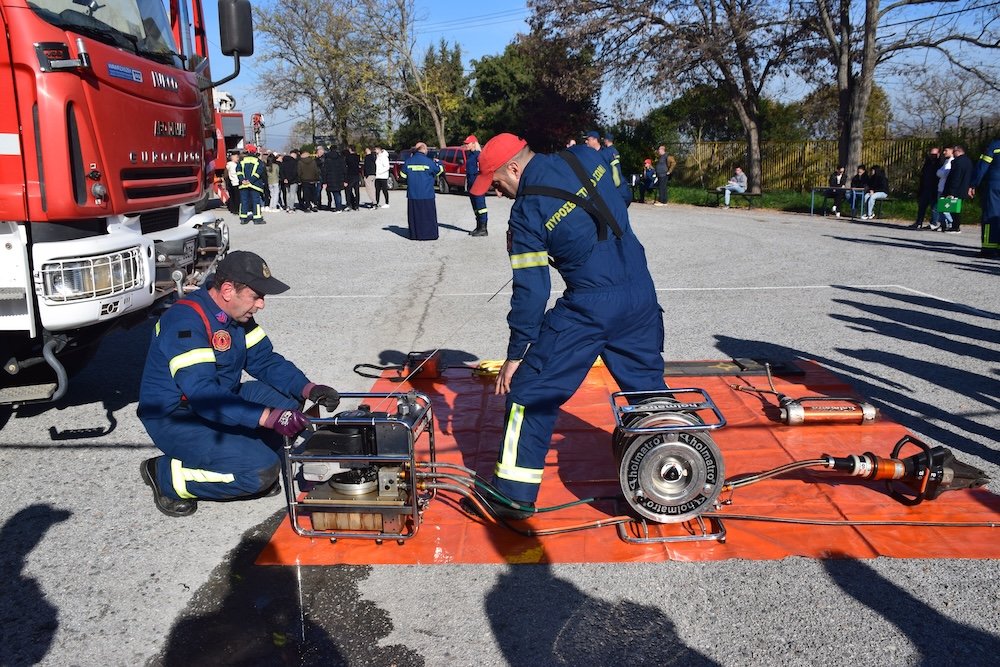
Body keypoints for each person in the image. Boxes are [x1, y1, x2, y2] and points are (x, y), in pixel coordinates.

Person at [465, 133, 668, 518]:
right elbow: (620, 193)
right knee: (647, 388)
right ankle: (672, 465)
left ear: (513, 167)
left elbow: (532, 290)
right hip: (640, 291)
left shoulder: (526, 212)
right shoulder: (582, 158)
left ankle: (511, 497)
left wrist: (518, 353)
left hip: (591, 305)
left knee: (528, 394)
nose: (499, 192)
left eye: (497, 183)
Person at [137, 251, 341, 517]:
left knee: (287, 399)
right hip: (179, 417)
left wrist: (309, 388)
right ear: (227, 290)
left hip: (219, 401)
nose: (261, 304)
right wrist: (267, 417)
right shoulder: (185, 323)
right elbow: (204, 395)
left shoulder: (235, 317)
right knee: (261, 472)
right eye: (256, 296)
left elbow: (265, 361)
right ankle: (167, 476)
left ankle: (243, 452)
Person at [399, 142, 443, 240]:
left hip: (413, 194)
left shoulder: (408, 161)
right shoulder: (429, 162)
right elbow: (439, 171)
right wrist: (439, 163)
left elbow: (403, 175)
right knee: (428, 216)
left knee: (415, 217)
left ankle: (415, 235)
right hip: (427, 194)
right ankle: (429, 235)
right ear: (423, 149)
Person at [970, 138, 1000, 257]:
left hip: (995, 185)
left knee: (990, 215)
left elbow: (982, 167)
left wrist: (973, 183)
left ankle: (989, 248)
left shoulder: (994, 146)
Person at [941, 145, 973, 233]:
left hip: (956, 190)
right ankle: (955, 226)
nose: (953, 154)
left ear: (957, 151)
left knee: (954, 209)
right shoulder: (968, 161)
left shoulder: (957, 162)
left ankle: (955, 227)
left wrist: (952, 191)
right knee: (956, 209)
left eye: (954, 152)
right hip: (963, 188)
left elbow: (956, 177)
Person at [909, 147, 941, 229]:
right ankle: (919, 222)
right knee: (922, 206)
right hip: (925, 188)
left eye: (934, 154)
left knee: (934, 207)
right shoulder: (928, 163)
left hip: (934, 188)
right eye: (931, 154)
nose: (932, 156)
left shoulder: (940, 163)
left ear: (938, 154)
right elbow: (923, 175)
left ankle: (934, 223)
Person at [464, 135, 489, 236]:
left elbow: (483, 170)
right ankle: (478, 226)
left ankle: (483, 228)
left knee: (480, 206)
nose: (465, 145)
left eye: (467, 143)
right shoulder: (470, 155)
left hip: (477, 183)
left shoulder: (479, 155)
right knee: (475, 206)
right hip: (471, 183)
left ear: (474, 143)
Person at [237, 144, 266, 225]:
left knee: (244, 201)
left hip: (243, 185)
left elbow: (238, 171)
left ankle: (243, 218)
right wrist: (250, 181)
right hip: (255, 185)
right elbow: (258, 173)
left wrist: (242, 180)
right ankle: (257, 219)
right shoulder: (258, 161)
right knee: (256, 201)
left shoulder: (241, 161)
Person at [930, 147, 954, 230]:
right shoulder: (946, 161)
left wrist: (939, 172)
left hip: (945, 188)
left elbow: (944, 173)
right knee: (940, 208)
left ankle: (950, 222)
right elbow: (939, 172)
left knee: (945, 208)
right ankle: (943, 224)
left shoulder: (951, 161)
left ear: (952, 151)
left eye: (946, 150)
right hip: (940, 187)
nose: (944, 152)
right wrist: (939, 172)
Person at [320, 145, 345, 211]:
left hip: (330, 178)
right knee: (338, 192)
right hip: (339, 178)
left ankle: (338, 208)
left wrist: (324, 181)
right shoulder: (340, 158)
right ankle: (339, 206)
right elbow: (344, 169)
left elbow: (324, 171)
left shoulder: (327, 159)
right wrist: (345, 179)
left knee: (335, 193)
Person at [344, 146, 361, 211]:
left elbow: (346, 166)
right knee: (357, 191)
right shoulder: (358, 156)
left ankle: (349, 204)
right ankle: (357, 205)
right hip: (356, 174)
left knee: (348, 190)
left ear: (350, 150)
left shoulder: (348, 157)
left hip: (350, 175)